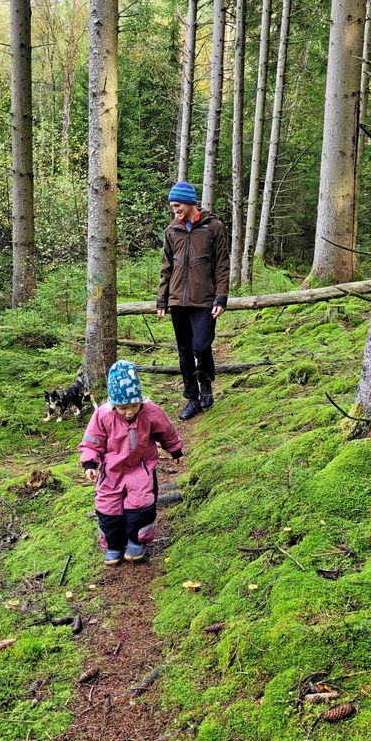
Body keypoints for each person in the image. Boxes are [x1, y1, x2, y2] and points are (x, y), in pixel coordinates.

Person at [79, 360, 183, 566]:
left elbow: (166, 431)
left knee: (141, 505)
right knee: (108, 508)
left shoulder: (150, 411)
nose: (129, 412)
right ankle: (114, 545)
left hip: (140, 468)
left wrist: (175, 450)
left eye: (134, 406)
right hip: (111, 470)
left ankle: (136, 541)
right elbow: (92, 441)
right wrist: (89, 463)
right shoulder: (102, 415)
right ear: (113, 403)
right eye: (123, 407)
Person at [156, 181, 230, 420]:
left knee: (201, 346)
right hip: (177, 301)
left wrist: (221, 297)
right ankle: (193, 399)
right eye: (172, 206)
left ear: (189, 202)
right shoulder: (172, 230)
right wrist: (162, 300)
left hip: (204, 300)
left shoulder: (213, 227)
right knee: (185, 352)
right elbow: (166, 268)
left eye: (177, 205)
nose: (174, 210)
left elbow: (222, 265)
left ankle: (205, 383)